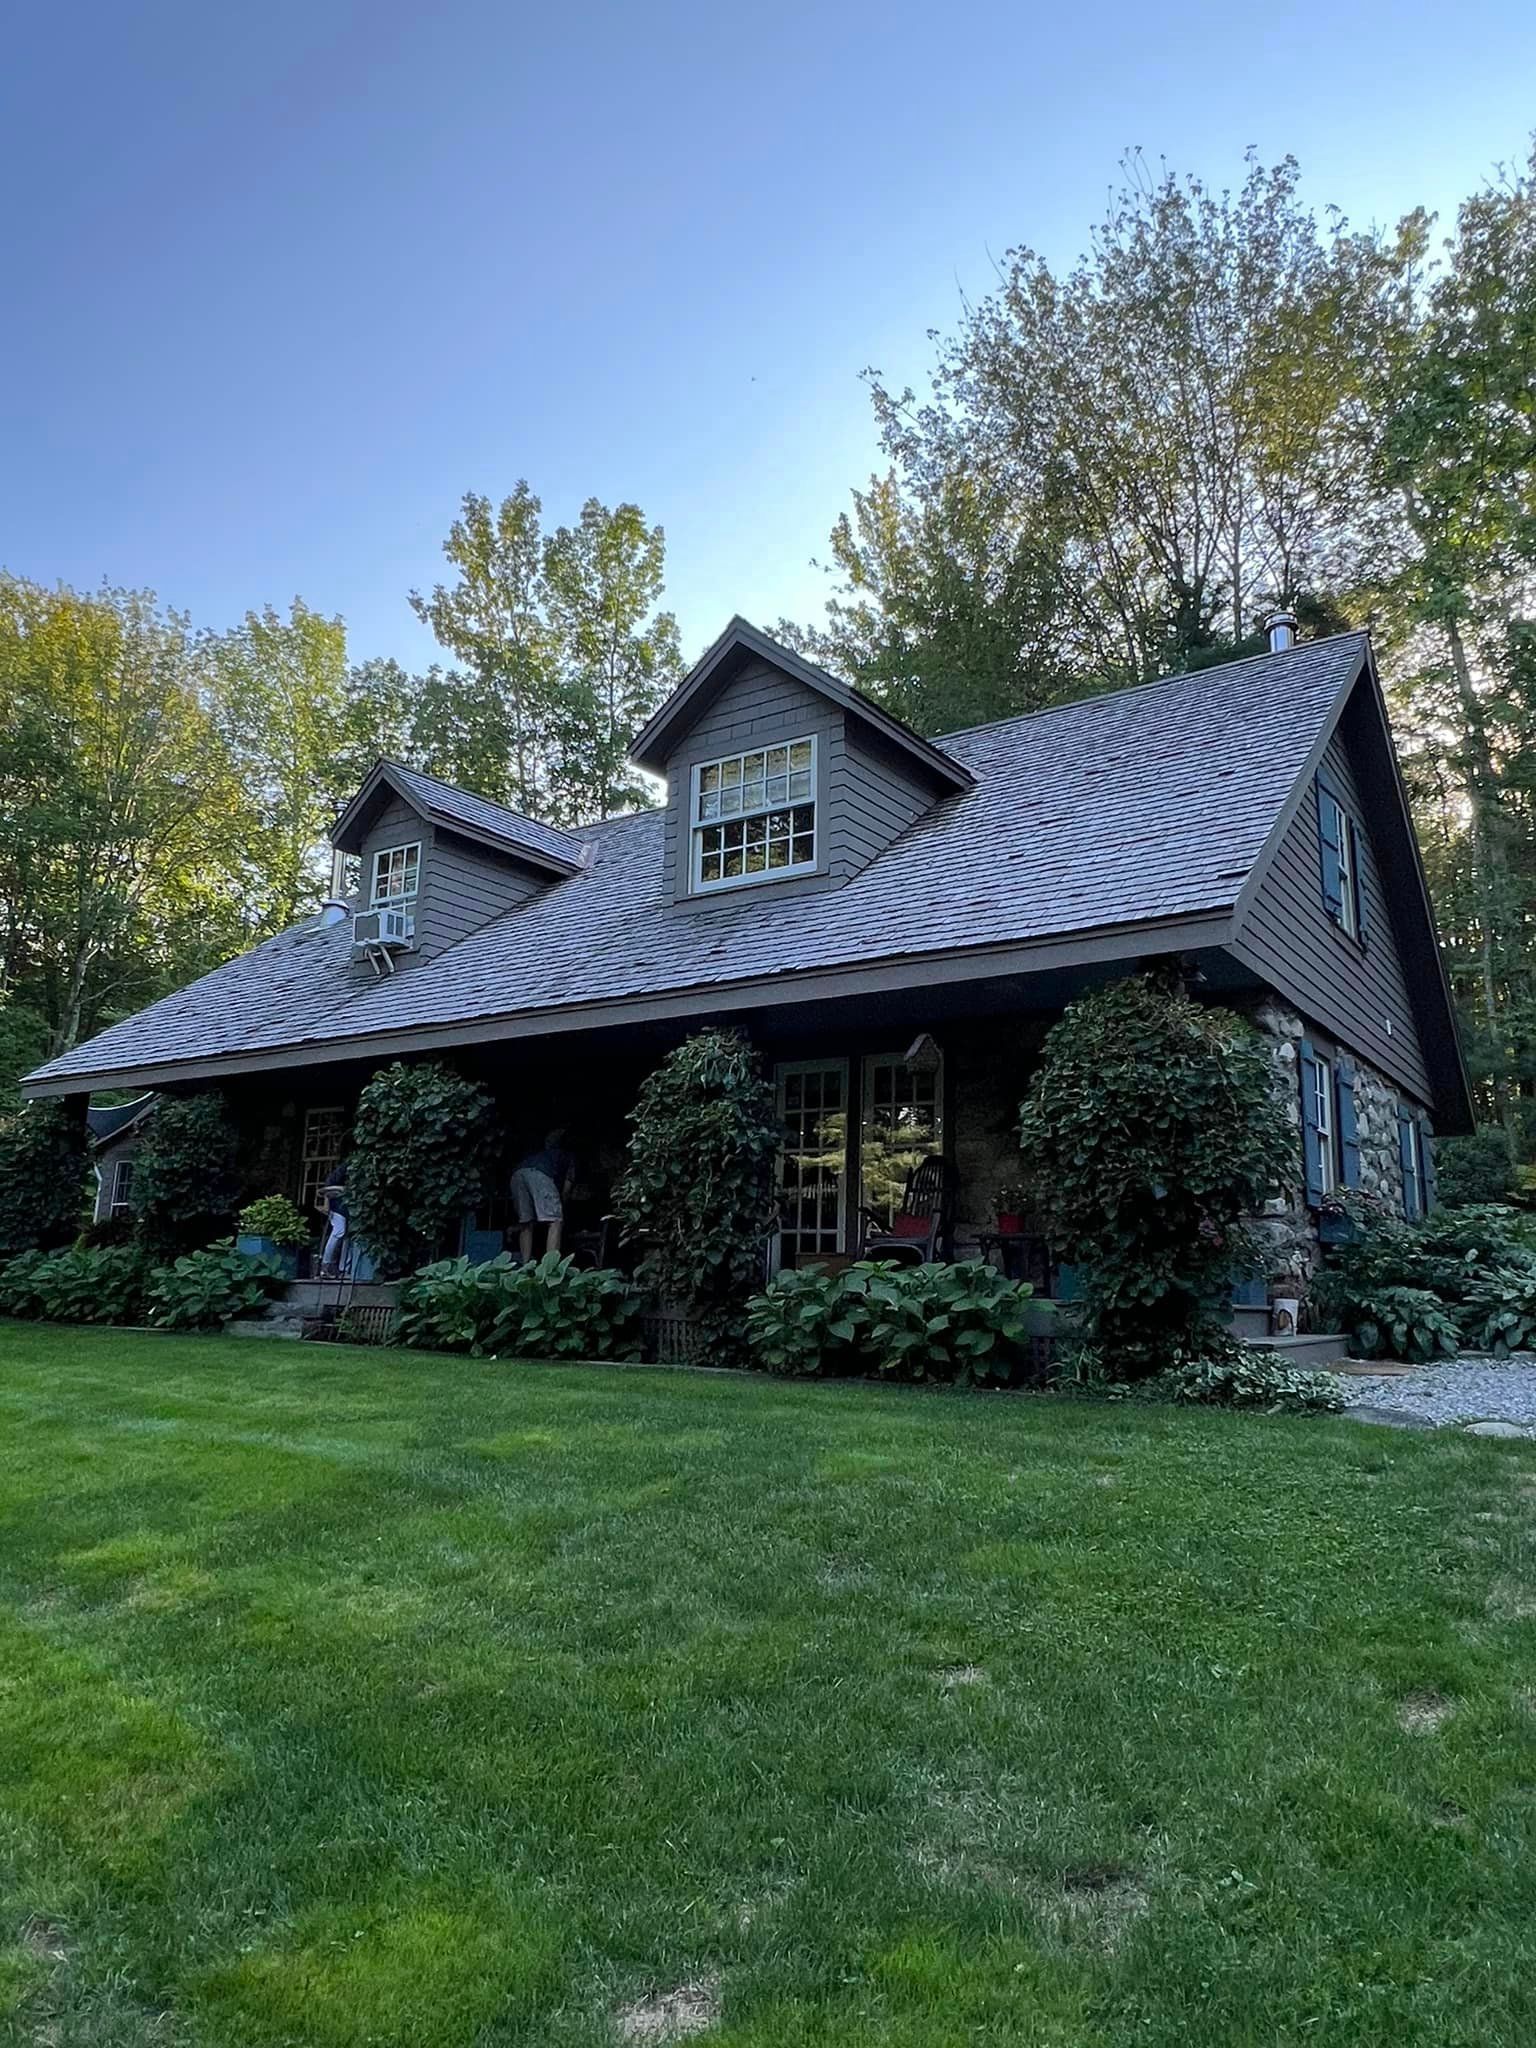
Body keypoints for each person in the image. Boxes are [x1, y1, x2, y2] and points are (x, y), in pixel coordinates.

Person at [509, 1129, 575, 1263]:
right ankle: (550, 1267)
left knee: (526, 1222)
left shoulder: (540, 1155)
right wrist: (561, 1206)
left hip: (517, 1174)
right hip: (541, 1175)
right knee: (555, 1221)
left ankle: (525, 1265)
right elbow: (567, 1189)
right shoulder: (569, 1157)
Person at [318, 1160, 349, 1278]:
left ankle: (343, 1268)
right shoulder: (344, 1169)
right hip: (338, 1206)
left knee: (346, 1236)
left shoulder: (345, 1169)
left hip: (344, 1206)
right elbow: (328, 1188)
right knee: (339, 1232)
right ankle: (326, 1265)